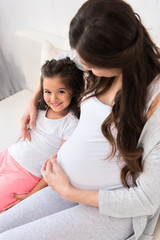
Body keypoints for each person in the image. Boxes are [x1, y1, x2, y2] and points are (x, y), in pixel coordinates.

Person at [0, 0, 160, 239]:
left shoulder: (154, 103)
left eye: (89, 63)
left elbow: (145, 199)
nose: (82, 64)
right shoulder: (102, 67)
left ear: (117, 58)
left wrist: (70, 192)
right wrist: (34, 100)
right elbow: (62, 61)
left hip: (106, 210)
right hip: (61, 185)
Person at [0, 57, 84, 212]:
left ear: (73, 91)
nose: (53, 98)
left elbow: (57, 165)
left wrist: (32, 195)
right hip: (7, 155)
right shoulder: (39, 108)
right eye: (48, 92)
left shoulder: (70, 124)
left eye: (61, 91)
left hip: (25, 174)